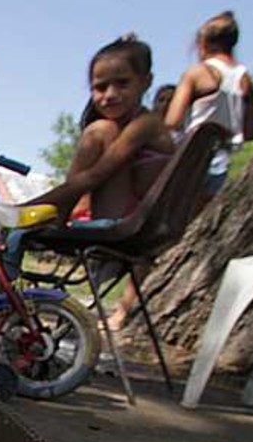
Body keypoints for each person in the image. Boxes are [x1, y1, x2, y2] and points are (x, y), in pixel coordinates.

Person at [23, 34, 175, 332]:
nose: (109, 94)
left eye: (122, 83)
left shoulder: (146, 124)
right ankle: (56, 215)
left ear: (146, 82)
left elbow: (96, 175)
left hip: (131, 225)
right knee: (103, 129)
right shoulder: (127, 126)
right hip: (132, 219)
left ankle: (54, 216)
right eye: (100, 87)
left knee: (99, 130)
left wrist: (27, 209)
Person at [164, 10, 253, 201]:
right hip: (221, 161)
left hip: (189, 159)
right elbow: (250, 132)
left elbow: (172, 121)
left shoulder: (197, 73)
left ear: (203, 44)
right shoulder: (245, 79)